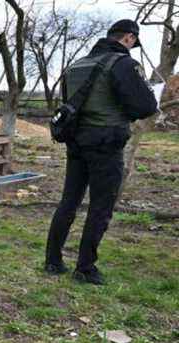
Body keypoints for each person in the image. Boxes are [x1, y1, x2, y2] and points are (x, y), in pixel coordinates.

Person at [44, 19, 158, 285]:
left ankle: (53, 261)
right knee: (101, 206)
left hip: (76, 142)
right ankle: (85, 268)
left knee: (69, 201)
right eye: (133, 42)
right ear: (129, 38)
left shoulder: (77, 65)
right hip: (106, 143)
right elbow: (145, 106)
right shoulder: (123, 64)